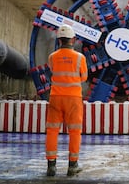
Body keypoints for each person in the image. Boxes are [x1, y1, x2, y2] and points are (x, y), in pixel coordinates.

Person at [45, 24, 88, 177]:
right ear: (73, 39)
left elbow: (52, 71)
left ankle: (51, 166)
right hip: (73, 99)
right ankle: (72, 166)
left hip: (55, 97)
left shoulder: (52, 57)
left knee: (52, 130)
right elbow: (84, 77)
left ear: (59, 40)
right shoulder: (80, 58)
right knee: (75, 131)